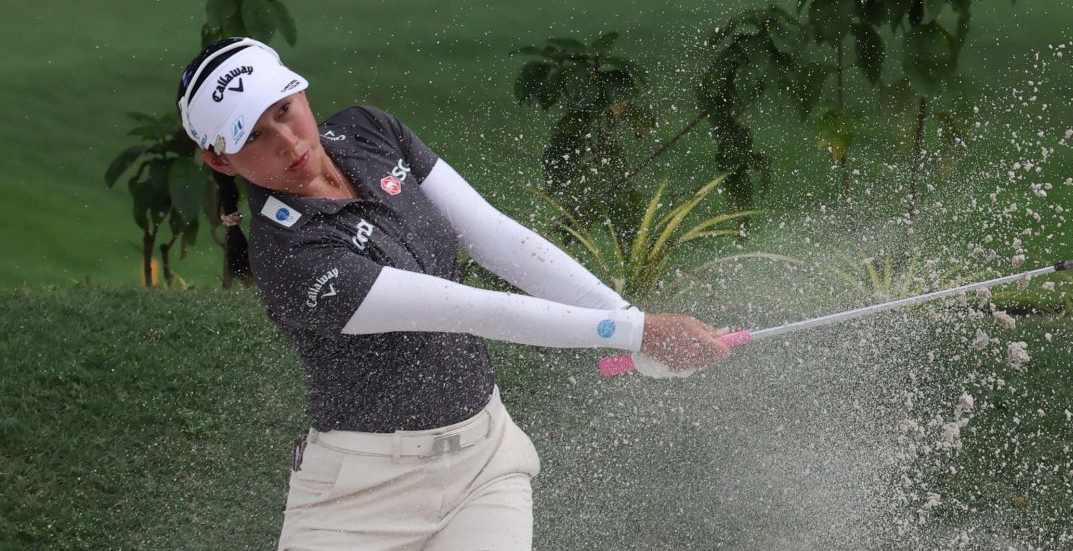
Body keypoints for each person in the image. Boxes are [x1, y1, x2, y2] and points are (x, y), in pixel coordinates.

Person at [175, 37, 731, 551]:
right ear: (220, 160)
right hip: (357, 498)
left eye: (284, 111)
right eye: (253, 137)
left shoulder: (368, 132)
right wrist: (639, 332)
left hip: (483, 463)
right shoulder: (291, 257)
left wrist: (632, 322)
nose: (289, 141)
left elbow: (497, 238)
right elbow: (469, 309)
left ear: (299, 91)